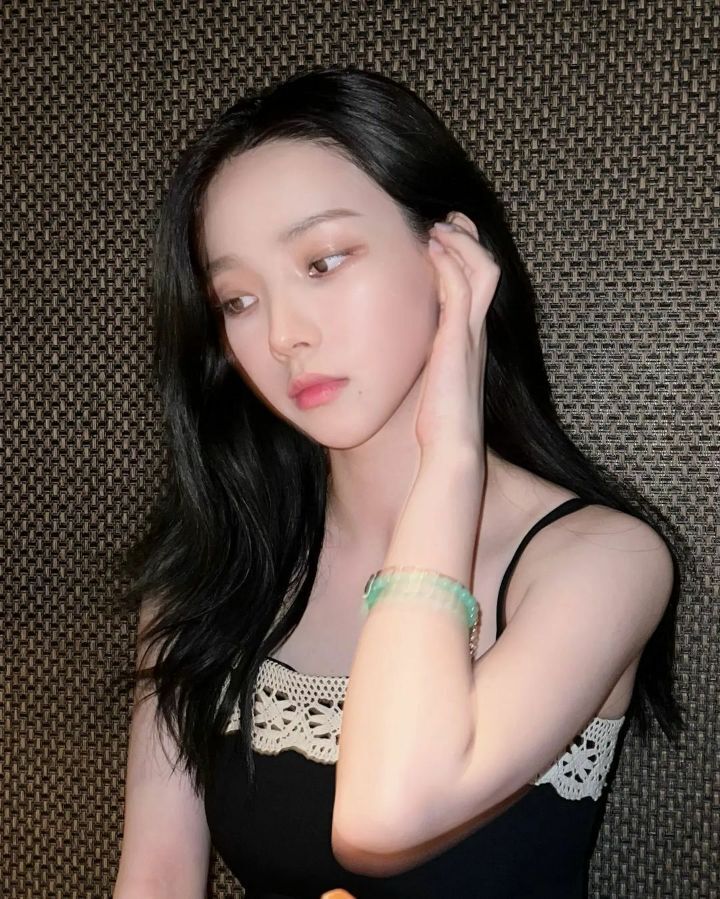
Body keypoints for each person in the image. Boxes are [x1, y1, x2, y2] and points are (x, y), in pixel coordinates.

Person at [113, 66, 690, 899]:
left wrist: (450, 455)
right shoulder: (209, 573)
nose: (282, 335)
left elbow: (384, 818)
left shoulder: (602, 561)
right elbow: (158, 875)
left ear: (450, 255)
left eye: (323, 261)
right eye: (236, 300)